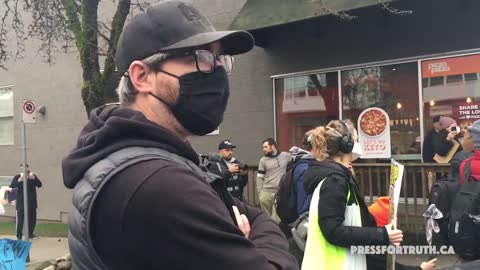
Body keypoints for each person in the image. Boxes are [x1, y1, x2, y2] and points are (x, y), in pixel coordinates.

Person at [61, 1, 297, 269]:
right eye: (203, 58)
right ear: (142, 76)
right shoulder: (157, 184)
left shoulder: (141, 160)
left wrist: (252, 235)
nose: (218, 71)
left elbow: (255, 217)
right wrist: (255, 243)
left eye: (221, 59)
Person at [301, 120, 435, 270]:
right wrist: (383, 234)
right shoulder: (335, 181)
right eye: (356, 140)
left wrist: (383, 234)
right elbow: (333, 231)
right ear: (347, 145)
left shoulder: (337, 178)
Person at [257, 138, 292, 222]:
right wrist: (260, 193)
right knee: (266, 218)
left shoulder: (285, 156)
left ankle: (276, 233)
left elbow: (295, 160)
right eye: (263, 147)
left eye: (265, 147)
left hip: (279, 192)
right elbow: (259, 177)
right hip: (266, 193)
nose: (263, 149)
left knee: (277, 219)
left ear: (272, 146)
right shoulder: (263, 160)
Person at [9, 164, 42, 240]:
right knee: (20, 221)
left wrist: (34, 179)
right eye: (21, 169)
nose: (23, 171)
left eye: (25, 169)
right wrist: (18, 181)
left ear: (28, 169)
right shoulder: (17, 177)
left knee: (32, 220)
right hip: (21, 203)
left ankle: (30, 233)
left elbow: (40, 185)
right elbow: (12, 187)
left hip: (32, 203)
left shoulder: (32, 176)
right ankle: (19, 236)